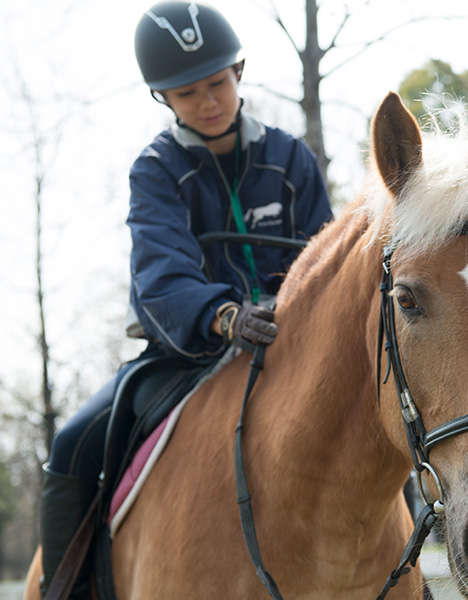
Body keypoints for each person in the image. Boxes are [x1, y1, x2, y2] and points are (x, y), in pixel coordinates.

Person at [38, 2, 333, 596]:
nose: (208, 101)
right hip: (184, 350)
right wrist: (222, 315)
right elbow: (162, 274)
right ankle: (62, 588)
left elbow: (324, 258)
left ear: (240, 71)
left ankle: (406, 563)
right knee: (73, 440)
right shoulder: (154, 170)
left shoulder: (291, 158)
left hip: (286, 345)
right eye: (187, 91)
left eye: (217, 82)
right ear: (163, 98)